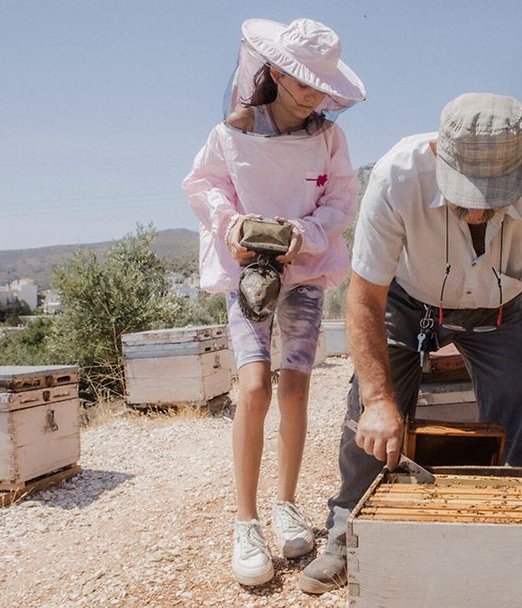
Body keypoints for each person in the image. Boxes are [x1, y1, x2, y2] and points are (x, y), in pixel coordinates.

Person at [299, 92, 522, 594]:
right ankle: (347, 533)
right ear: (438, 154)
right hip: (405, 300)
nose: (477, 214)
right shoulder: (397, 176)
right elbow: (364, 298)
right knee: (368, 419)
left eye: (493, 196)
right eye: (465, 194)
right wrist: (377, 400)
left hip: (500, 312)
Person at [181, 17, 365, 587]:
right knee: (255, 386)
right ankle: (246, 520)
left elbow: (342, 199)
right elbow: (203, 185)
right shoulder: (230, 131)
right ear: (277, 71)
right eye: (304, 77)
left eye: (320, 80)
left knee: (296, 385)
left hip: (305, 272)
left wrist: (302, 234)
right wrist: (235, 225)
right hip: (249, 274)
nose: (314, 90)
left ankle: (286, 504)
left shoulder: (329, 137)